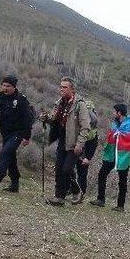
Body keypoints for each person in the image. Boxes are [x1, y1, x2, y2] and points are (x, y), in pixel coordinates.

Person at [41, 77, 92, 205]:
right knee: (59, 169)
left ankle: (61, 197)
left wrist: (80, 144)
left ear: (72, 89)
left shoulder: (80, 105)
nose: (61, 89)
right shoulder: (59, 103)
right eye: (61, 87)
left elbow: (85, 126)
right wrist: (46, 118)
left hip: (74, 142)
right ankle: (65, 194)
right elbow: (54, 120)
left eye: (65, 87)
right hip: (62, 140)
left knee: (66, 169)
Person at [0, 74, 32, 192]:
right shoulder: (0, 97)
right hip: (5, 132)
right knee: (10, 157)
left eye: (8, 86)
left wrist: (27, 137)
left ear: (14, 87)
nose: (5, 88)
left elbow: (27, 119)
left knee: (6, 152)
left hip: (17, 132)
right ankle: (15, 184)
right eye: (3, 85)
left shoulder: (21, 100)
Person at [89, 104, 130, 212]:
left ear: (119, 113)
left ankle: (120, 205)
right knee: (102, 174)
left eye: (114, 112)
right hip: (111, 154)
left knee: (122, 180)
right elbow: (111, 135)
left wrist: (120, 135)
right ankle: (100, 199)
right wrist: (116, 134)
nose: (113, 113)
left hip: (123, 156)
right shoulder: (115, 123)